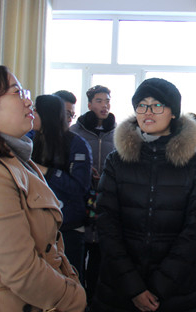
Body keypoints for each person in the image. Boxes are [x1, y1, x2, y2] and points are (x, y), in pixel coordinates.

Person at [0, 65, 86, 311]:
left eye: (25, 93)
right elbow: (22, 271)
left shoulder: (13, 159)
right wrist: (75, 299)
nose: (28, 102)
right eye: (17, 93)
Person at [93, 78, 196, 312]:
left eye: (157, 105)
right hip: (120, 288)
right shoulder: (117, 161)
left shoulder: (193, 164)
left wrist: (159, 286)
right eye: (142, 105)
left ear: (173, 112)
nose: (148, 111)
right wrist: (134, 287)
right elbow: (106, 223)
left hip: (174, 290)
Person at [31, 94, 92, 287]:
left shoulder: (76, 144)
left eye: (35, 111)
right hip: (35, 225)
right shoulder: (28, 139)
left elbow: (80, 187)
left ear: (46, 115)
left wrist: (47, 172)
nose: (30, 114)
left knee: (69, 283)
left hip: (68, 227)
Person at [70, 84, 116, 301]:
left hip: (107, 200)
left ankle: (95, 300)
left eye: (107, 101)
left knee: (100, 256)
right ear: (89, 105)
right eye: (99, 101)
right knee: (78, 254)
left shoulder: (118, 133)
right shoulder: (74, 132)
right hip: (81, 200)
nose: (104, 105)